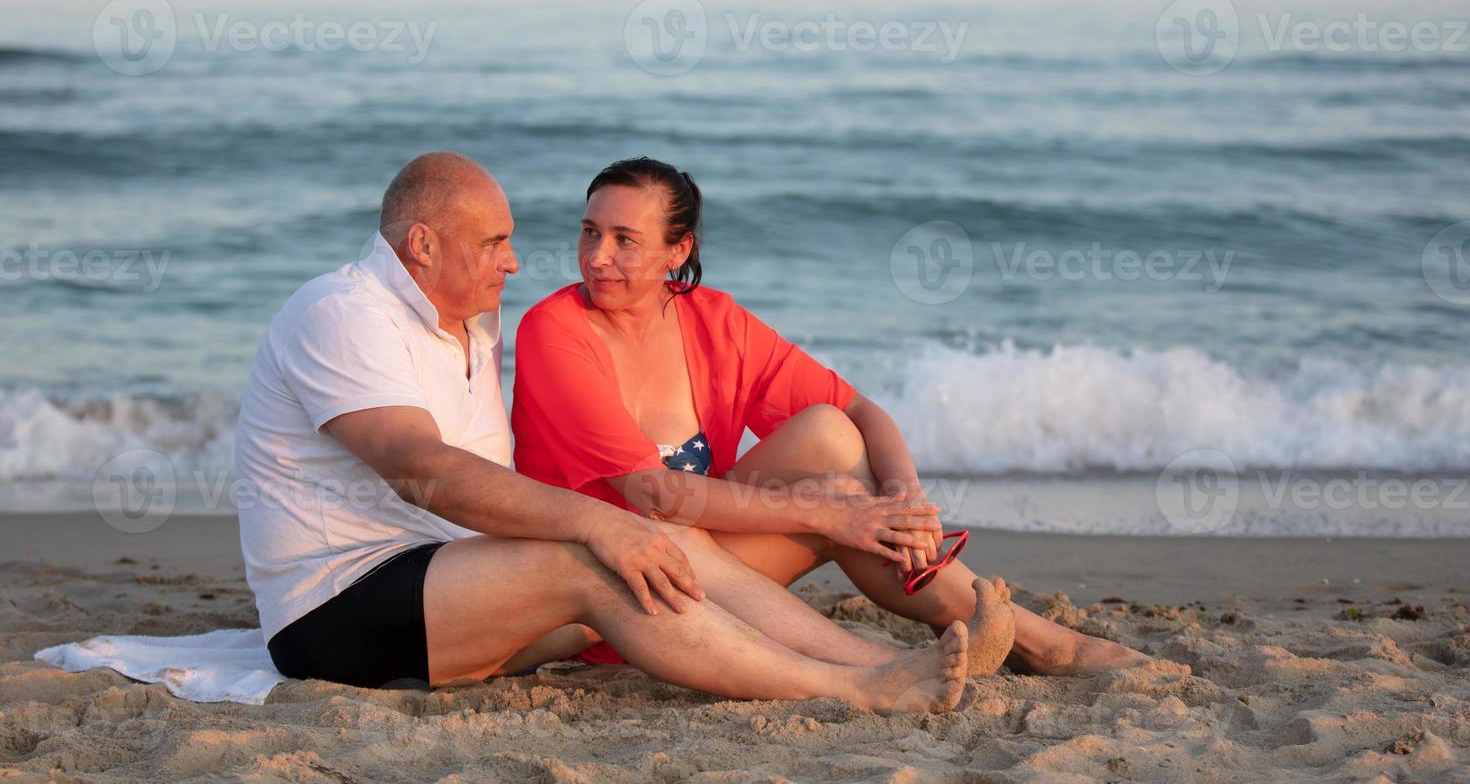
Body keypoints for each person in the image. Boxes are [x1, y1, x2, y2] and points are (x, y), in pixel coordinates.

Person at [232, 151, 993, 713]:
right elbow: (418, 467)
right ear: (423, 245)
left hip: (451, 586)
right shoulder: (344, 314)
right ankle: (859, 689)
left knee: (667, 544)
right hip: (337, 610)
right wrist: (602, 524)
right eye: (493, 242)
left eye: (513, 239)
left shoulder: (464, 323)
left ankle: (893, 662)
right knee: (601, 557)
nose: (516, 260)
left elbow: (848, 413)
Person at [512, 157, 1187, 677]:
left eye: (625, 239)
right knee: (835, 502)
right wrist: (829, 515)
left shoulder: (712, 322)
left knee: (832, 437)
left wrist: (904, 499)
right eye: (590, 232)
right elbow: (651, 493)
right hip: (612, 595)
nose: (597, 256)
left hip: (710, 566)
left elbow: (861, 410)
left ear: (676, 251)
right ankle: (1040, 642)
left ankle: (1007, 627)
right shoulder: (554, 332)